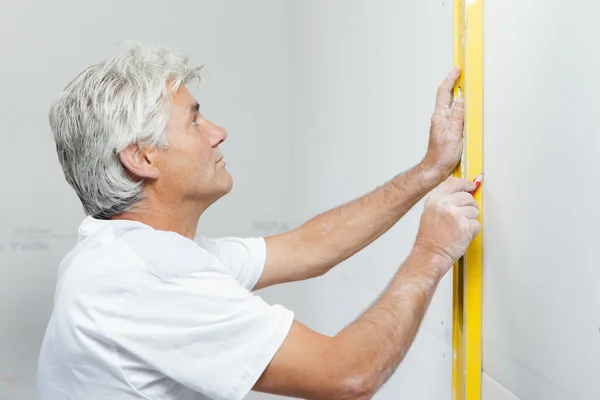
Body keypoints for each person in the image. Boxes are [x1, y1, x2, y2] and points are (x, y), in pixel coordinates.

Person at [37, 43, 480, 400]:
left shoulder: (128, 250)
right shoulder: (149, 276)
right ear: (142, 157)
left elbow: (308, 248)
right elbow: (346, 376)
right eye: (194, 121)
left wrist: (428, 170)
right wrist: (433, 253)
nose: (218, 131)